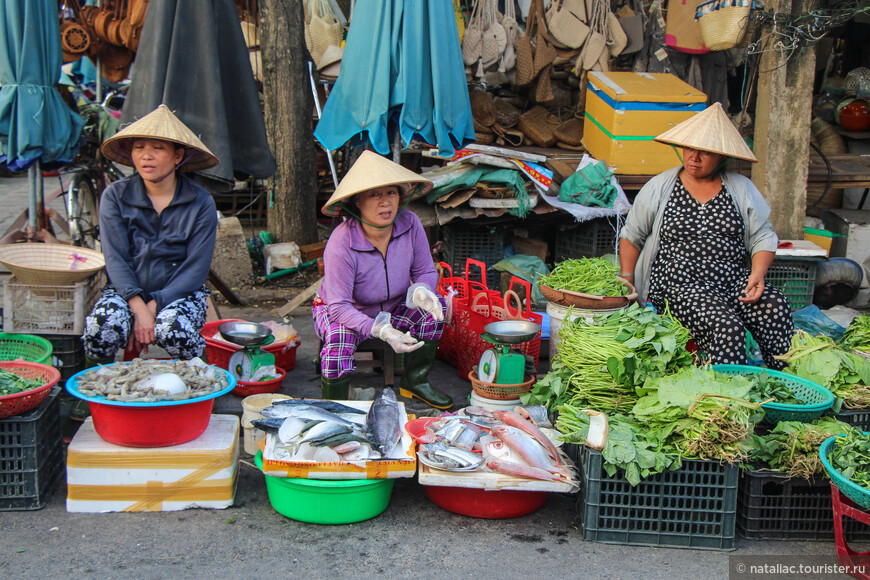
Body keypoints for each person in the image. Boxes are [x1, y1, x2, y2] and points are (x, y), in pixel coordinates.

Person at [619, 103, 794, 368]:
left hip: (733, 282)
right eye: (690, 149)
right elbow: (633, 235)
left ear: (722, 156)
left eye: (705, 152)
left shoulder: (741, 188)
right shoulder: (661, 186)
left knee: (774, 306)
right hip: (677, 285)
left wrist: (757, 275)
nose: (694, 158)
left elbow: (762, 236)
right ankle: (724, 396)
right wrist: (628, 279)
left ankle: (781, 381)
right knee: (727, 327)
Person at [82, 104, 219, 364]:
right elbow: (116, 259)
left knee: (173, 330)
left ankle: (201, 380)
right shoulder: (115, 196)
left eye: (157, 148)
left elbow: (196, 270)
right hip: (125, 292)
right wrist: (137, 306)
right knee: (100, 327)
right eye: (139, 147)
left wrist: (152, 307)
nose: (146, 156)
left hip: (180, 293)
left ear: (178, 156)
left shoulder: (200, 202)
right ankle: (97, 389)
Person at [314, 151, 451, 408]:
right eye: (375, 194)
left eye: (391, 193)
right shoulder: (342, 241)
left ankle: (415, 382)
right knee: (338, 342)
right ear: (357, 201)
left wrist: (421, 290)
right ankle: (335, 407)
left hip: (394, 305)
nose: (385, 202)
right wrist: (380, 329)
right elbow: (339, 306)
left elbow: (424, 270)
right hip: (345, 311)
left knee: (434, 308)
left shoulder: (410, 224)